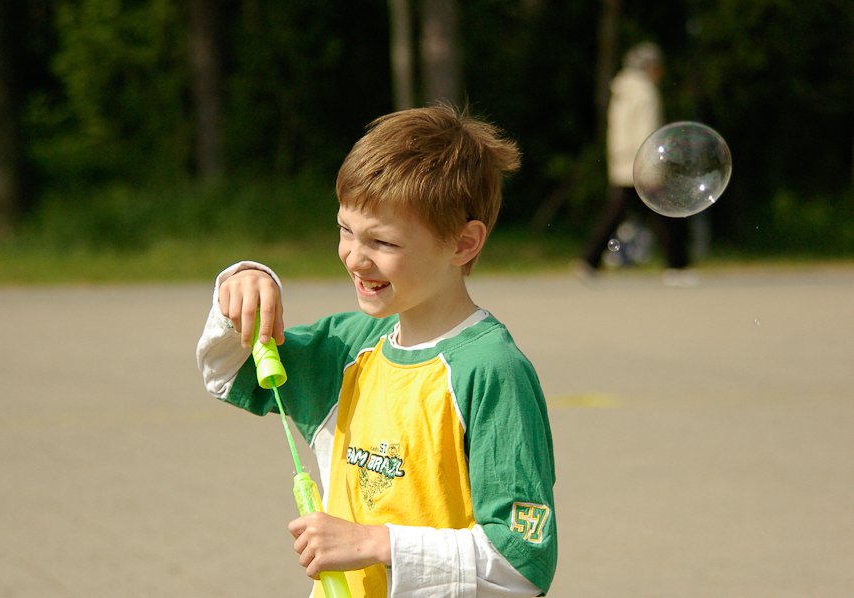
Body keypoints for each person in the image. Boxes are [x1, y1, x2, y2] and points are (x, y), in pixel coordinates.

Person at [196, 104, 557, 597]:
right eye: (345, 230)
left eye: (382, 242)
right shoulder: (349, 347)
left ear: (463, 244)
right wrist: (242, 284)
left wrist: (376, 542)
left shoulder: (492, 369)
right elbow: (227, 373)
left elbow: (524, 562)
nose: (355, 257)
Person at [575, 42, 695, 286]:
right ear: (649, 66)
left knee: (617, 212)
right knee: (665, 212)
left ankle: (589, 260)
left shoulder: (622, 89)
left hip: (623, 161)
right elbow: (646, 131)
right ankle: (677, 266)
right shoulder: (645, 91)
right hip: (642, 163)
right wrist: (652, 164)